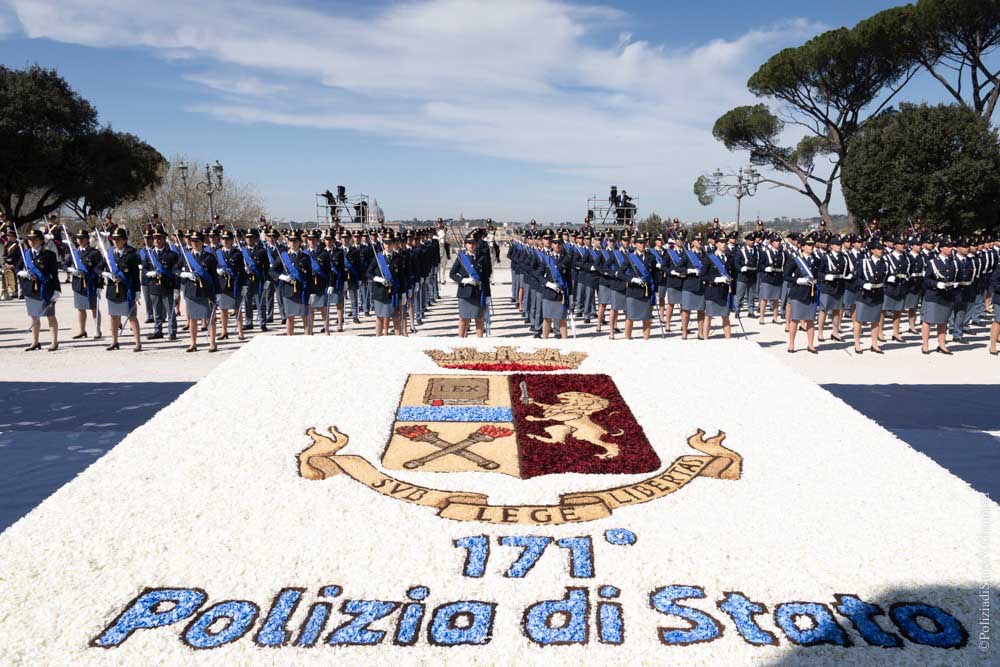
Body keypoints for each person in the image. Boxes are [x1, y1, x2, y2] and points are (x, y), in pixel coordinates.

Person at [14, 228, 61, 351]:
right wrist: (22, 273)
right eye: (30, 239)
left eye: (35, 239)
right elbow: (17, 268)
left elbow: (54, 274)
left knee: (50, 316)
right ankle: (35, 342)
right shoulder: (25, 254)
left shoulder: (49, 255)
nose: (32, 242)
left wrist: (57, 290)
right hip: (30, 289)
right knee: (34, 316)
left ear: (41, 240)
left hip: (46, 289)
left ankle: (54, 342)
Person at [178, 230, 219, 352]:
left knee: (210, 318)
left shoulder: (209, 257)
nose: (195, 243)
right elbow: (175, 269)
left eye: (197, 241)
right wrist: (184, 274)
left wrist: (216, 294)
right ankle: (193, 343)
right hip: (191, 292)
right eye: (192, 241)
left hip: (206, 292)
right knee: (193, 319)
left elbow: (214, 277)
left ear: (202, 242)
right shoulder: (185, 256)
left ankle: (212, 342)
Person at [102, 227, 141, 352]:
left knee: (132, 317)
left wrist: (137, 291)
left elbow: (135, 274)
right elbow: (99, 267)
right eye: (114, 239)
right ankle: (114, 341)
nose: (116, 242)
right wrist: (105, 274)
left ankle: (138, 343)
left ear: (124, 240)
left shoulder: (131, 254)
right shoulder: (110, 253)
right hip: (113, 288)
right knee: (113, 316)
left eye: (118, 239)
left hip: (127, 289)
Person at [270, 229, 312, 336]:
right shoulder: (283, 256)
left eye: (295, 240)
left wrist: (312, 292)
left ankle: (307, 337)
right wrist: (282, 277)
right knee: (290, 317)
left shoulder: (305, 257)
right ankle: (289, 338)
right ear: (288, 242)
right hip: (288, 291)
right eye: (291, 240)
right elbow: (272, 271)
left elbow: (309, 276)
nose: (293, 243)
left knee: (305, 316)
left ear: (299, 242)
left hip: (302, 290)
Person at [65, 228, 105, 340]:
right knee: (80, 308)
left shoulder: (95, 253)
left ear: (88, 239)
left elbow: (100, 269)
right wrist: (70, 270)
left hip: (91, 284)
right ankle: (82, 330)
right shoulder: (74, 253)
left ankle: (97, 330)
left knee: (94, 308)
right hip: (78, 283)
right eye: (78, 238)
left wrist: (100, 285)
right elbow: (64, 265)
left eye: (83, 238)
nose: (80, 240)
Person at [141, 226, 180, 341]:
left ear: (164, 239)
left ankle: (172, 332)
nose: (156, 241)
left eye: (159, 238)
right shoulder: (149, 254)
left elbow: (176, 272)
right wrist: (149, 273)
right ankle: (158, 331)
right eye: (154, 238)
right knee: (157, 311)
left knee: (170, 311)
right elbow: (144, 269)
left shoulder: (172, 255)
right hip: (154, 286)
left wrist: (176, 288)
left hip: (167, 286)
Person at [784, 234, 819, 354]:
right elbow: (786, 275)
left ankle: (810, 344)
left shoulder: (816, 260)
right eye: (808, 245)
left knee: (810, 320)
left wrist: (817, 280)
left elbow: (819, 275)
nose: (811, 247)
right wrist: (797, 280)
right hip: (798, 292)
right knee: (795, 319)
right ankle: (791, 344)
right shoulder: (796, 260)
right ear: (802, 247)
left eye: (812, 245)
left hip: (811, 293)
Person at [450, 232, 490, 338]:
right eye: (468, 243)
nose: (471, 245)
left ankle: (479, 342)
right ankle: (461, 341)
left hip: (478, 292)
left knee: (479, 319)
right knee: (463, 319)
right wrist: (464, 280)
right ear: (465, 244)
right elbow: (452, 274)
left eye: (473, 243)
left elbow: (485, 277)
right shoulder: (461, 257)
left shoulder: (482, 258)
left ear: (476, 244)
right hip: (465, 293)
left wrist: (488, 295)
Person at [922, 237, 957, 355]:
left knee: (943, 321)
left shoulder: (953, 262)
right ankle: (925, 345)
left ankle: (942, 344)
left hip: (947, 295)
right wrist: (936, 284)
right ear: (941, 248)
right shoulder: (933, 262)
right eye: (947, 246)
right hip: (934, 295)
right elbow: (926, 279)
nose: (950, 248)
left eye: (951, 246)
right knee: (928, 321)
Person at [853, 239, 888, 355]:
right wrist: (864, 284)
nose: (881, 251)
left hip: (878, 293)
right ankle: (857, 343)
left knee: (875, 320)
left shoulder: (884, 262)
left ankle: (874, 344)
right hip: (864, 294)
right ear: (872, 250)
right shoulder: (863, 262)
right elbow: (856, 278)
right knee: (859, 319)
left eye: (882, 248)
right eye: (878, 248)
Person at [367, 230, 403, 336]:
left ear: (393, 243)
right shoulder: (378, 258)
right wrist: (377, 279)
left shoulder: (398, 258)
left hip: (394, 293)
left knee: (396, 318)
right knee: (379, 317)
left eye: (390, 243)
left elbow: (402, 277)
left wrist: (405, 291)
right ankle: (378, 338)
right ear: (383, 244)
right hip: (380, 292)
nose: (388, 245)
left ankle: (398, 339)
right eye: (386, 243)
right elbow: (368, 273)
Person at [539, 230, 573, 339]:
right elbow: (539, 275)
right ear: (551, 244)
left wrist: (571, 296)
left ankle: (564, 341)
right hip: (549, 293)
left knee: (562, 319)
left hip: (561, 295)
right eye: (554, 242)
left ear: (562, 244)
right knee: (547, 318)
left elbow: (568, 278)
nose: (557, 245)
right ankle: (545, 340)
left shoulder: (567, 259)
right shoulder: (546, 258)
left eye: (559, 243)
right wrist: (548, 284)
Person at [215, 230, 247, 341]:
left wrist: (244, 285)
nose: (225, 241)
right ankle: (224, 331)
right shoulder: (217, 252)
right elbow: (213, 267)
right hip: (222, 284)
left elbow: (242, 270)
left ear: (232, 240)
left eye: (228, 239)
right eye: (223, 239)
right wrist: (217, 270)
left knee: (237, 308)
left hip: (235, 284)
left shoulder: (237, 253)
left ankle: (240, 331)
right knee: (223, 309)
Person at [624, 233, 656, 340]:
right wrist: (632, 279)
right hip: (633, 290)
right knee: (630, 317)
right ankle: (628, 337)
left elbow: (654, 275)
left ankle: (646, 339)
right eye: (640, 242)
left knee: (646, 317)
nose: (642, 245)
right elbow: (620, 273)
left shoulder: (651, 257)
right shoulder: (630, 257)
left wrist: (654, 288)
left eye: (644, 242)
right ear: (635, 244)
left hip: (645, 291)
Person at [702, 236, 735, 339]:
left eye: (725, 242)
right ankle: (705, 338)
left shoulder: (729, 258)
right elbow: (703, 275)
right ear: (716, 244)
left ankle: (728, 339)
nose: (724, 244)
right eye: (721, 242)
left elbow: (733, 273)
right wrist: (716, 279)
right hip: (712, 290)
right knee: (708, 316)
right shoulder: (709, 258)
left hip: (724, 291)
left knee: (725, 316)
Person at [816, 235, 846, 342]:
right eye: (837, 244)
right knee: (824, 310)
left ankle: (835, 332)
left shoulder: (844, 257)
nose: (839, 246)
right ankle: (820, 332)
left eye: (840, 244)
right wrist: (825, 277)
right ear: (832, 246)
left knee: (836, 310)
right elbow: (818, 273)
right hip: (828, 287)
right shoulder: (825, 257)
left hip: (839, 286)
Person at [881, 236, 910, 343]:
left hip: (901, 286)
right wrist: (887, 277)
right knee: (883, 311)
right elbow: (882, 271)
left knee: (898, 311)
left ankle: (896, 333)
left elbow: (908, 271)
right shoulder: (887, 257)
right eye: (900, 244)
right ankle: (880, 332)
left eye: (903, 244)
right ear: (894, 245)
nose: (902, 245)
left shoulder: (906, 257)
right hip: (889, 286)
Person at [679, 233, 707, 340]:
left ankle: (700, 333)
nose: (699, 242)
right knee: (686, 310)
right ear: (692, 242)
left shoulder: (705, 255)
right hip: (689, 285)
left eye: (701, 240)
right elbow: (678, 268)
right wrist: (688, 270)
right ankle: (684, 332)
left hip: (701, 286)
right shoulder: (688, 254)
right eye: (697, 240)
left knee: (701, 311)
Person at [303, 229, 330, 336]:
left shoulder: (323, 253)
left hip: (321, 283)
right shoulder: (304, 253)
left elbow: (329, 270)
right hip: (309, 285)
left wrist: (331, 284)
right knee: (310, 309)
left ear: (317, 240)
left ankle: (327, 330)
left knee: (324, 308)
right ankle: (310, 330)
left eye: (313, 239)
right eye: (309, 239)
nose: (311, 241)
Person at [757, 233, 784, 325]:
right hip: (767, 278)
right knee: (764, 298)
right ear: (771, 242)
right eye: (776, 241)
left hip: (777, 277)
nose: (778, 243)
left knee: (776, 299)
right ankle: (762, 317)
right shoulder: (765, 252)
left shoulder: (781, 253)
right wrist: (765, 268)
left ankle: (775, 317)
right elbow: (760, 265)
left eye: (779, 241)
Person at [733, 233, 758, 318]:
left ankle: (751, 311)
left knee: (751, 295)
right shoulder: (741, 251)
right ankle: (737, 311)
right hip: (743, 276)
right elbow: (736, 263)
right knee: (740, 295)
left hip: (752, 276)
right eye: (750, 240)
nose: (752, 242)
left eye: (753, 240)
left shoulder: (756, 250)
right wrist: (741, 268)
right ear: (746, 241)